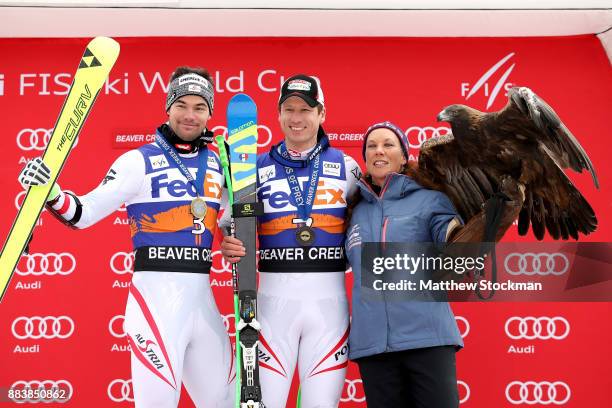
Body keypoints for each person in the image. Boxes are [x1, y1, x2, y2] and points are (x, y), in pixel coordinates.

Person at [18, 67, 234, 407]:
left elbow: (234, 216)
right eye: (182, 105)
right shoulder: (138, 161)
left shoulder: (221, 163)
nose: (190, 115)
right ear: (168, 106)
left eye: (199, 106)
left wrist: (231, 233)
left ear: (210, 112)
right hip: (155, 302)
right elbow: (84, 212)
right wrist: (52, 193)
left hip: (202, 302)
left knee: (226, 403)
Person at [345, 121, 524, 408]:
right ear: (364, 157)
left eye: (388, 144)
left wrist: (490, 220)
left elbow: (454, 243)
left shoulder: (430, 200)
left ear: (404, 156)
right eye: (371, 146)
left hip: (427, 340)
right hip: (373, 348)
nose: (379, 151)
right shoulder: (354, 211)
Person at [220, 74, 362, 408]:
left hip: (329, 305)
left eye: (305, 110)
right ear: (279, 115)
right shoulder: (254, 168)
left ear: (321, 114)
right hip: (271, 304)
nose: (296, 118)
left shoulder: (347, 166)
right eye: (289, 109)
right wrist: (230, 242)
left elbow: (371, 218)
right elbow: (229, 223)